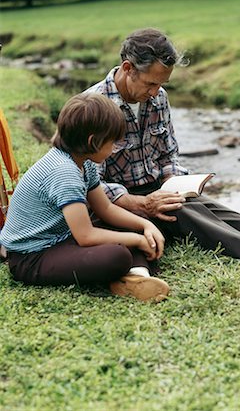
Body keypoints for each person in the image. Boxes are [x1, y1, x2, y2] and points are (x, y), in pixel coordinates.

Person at [84, 28, 240, 287]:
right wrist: (141, 203)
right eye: (150, 83)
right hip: (118, 203)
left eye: (162, 84)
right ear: (128, 68)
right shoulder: (92, 106)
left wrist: (175, 182)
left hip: (157, 191)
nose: (155, 92)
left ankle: (173, 229)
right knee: (179, 211)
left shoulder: (159, 98)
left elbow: (167, 153)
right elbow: (89, 181)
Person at [0, 93, 170, 302]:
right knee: (118, 255)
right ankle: (129, 271)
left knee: (130, 227)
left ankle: (135, 278)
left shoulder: (84, 162)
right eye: (112, 143)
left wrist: (145, 225)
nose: (114, 148)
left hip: (63, 237)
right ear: (93, 142)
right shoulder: (64, 173)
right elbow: (86, 236)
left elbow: (105, 209)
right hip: (32, 256)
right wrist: (136, 240)